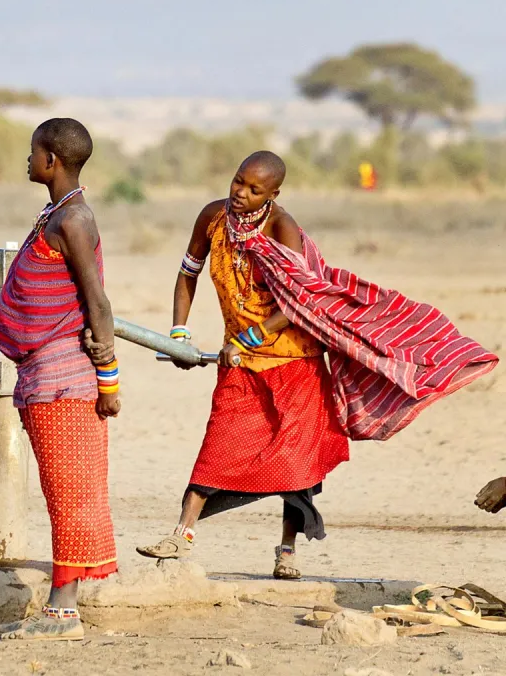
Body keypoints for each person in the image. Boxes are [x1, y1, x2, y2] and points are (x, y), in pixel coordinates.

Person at [138, 151, 497, 579]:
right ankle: (181, 534)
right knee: (219, 445)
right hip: (240, 362)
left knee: (296, 464)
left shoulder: (282, 228)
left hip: (296, 362)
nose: (241, 194)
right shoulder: (213, 219)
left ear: (274, 194)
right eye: (238, 182)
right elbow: (188, 272)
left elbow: (299, 300)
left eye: (255, 190)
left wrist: (254, 336)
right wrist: (178, 332)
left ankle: (287, 550)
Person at [0, 117, 120, 641]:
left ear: (52, 161)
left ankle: (62, 611)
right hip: (46, 377)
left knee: (69, 492)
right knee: (64, 489)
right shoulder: (58, 214)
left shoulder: (76, 220)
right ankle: (63, 603)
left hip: (67, 378)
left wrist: (109, 383)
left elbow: (98, 305)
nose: (27, 160)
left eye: (32, 152)